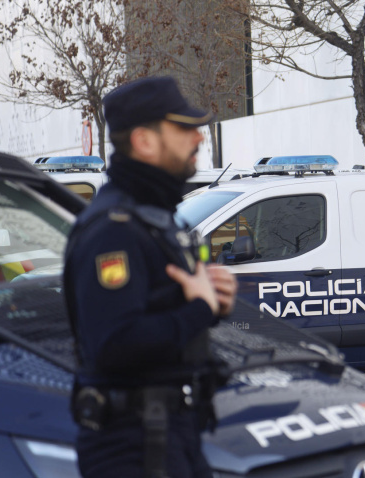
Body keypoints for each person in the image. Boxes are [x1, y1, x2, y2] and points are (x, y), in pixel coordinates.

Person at [64, 76, 238, 478]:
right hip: (136, 446)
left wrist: (208, 300)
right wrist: (199, 307)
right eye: (183, 129)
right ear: (144, 141)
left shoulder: (152, 219)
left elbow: (158, 320)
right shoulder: (113, 230)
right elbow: (115, 344)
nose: (198, 139)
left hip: (169, 434)